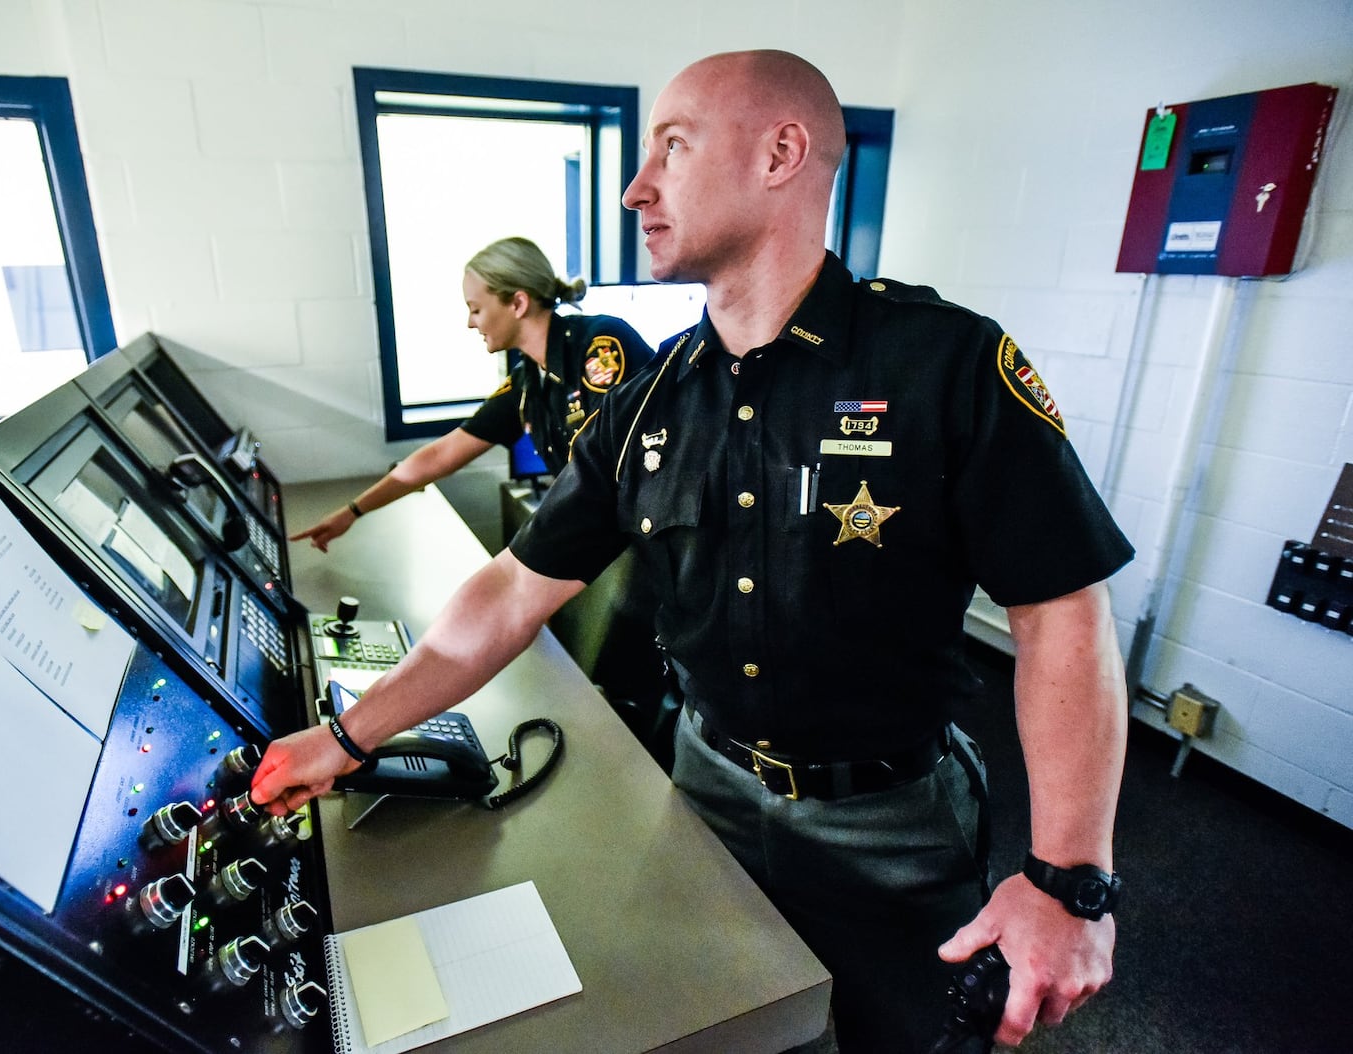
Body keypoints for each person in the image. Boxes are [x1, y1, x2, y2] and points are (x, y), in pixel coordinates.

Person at [254, 49, 1132, 1054]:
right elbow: (507, 591)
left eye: (671, 147)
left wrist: (1071, 879)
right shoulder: (650, 402)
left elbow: (1060, 611)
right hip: (703, 784)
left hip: (887, 819)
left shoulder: (946, 362)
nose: (636, 189)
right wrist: (350, 734)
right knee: (722, 1032)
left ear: (781, 153)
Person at [289, 236, 652, 551]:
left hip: (656, 538)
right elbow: (442, 453)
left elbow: (606, 472)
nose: (470, 323)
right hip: (616, 539)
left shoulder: (601, 345)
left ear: (518, 303)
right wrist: (353, 512)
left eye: (476, 309)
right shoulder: (528, 383)